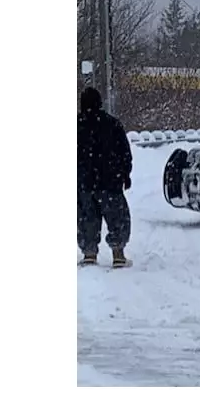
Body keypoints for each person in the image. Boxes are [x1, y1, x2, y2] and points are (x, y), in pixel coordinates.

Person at [77, 87, 133, 267]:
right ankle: (118, 254)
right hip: (110, 181)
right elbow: (124, 152)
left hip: (84, 182)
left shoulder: (76, 125)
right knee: (117, 217)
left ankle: (89, 253)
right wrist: (125, 174)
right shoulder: (111, 124)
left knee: (87, 218)